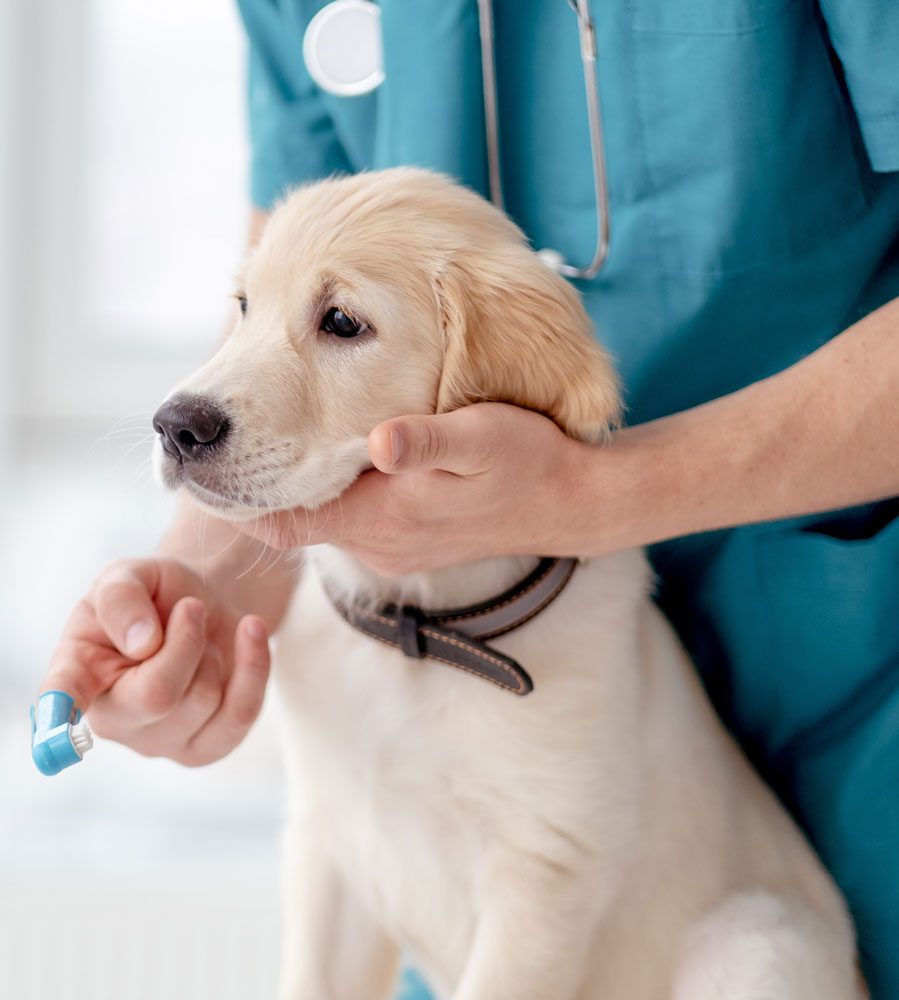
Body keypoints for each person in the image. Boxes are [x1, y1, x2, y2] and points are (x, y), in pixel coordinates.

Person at [42, 1, 899, 996]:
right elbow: (286, 256)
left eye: (342, 323)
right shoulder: (332, 621)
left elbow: (550, 872)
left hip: (842, 668)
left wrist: (588, 494)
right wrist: (207, 576)